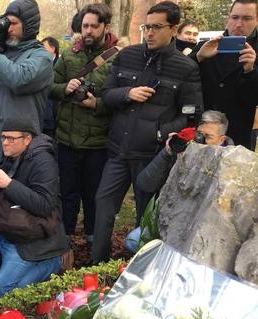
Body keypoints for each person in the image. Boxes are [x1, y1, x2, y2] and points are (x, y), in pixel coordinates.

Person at [91, 1, 202, 264]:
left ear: (173, 29)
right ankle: (96, 267)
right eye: (146, 26)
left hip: (151, 157)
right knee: (103, 206)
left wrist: (159, 134)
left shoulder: (185, 68)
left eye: (156, 27)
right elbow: (106, 95)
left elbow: (190, 115)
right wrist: (127, 93)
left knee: (146, 218)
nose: (149, 32)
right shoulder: (127, 55)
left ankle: (142, 272)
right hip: (118, 151)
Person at [0, 117, 68, 296]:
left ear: (27, 140)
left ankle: (54, 262)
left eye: (11, 138)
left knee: (3, 290)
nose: (5, 143)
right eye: (3, 137)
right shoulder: (12, 156)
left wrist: (8, 183)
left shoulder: (44, 162)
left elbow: (45, 206)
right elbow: (7, 196)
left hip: (29, 238)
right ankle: (5, 259)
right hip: (4, 230)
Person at [50, 3, 117, 255]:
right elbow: (50, 88)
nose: (88, 30)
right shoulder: (68, 55)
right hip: (67, 140)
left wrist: (96, 103)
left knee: (93, 195)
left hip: (98, 143)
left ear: (104, 27)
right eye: (85, 25)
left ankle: (92, 238)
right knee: (67, 193)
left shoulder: (117, 58)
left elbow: (120, 101)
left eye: (94, 26)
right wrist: (64, 88)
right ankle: (64, 239)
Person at [125, 110, 232, 252]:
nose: (200, 141)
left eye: (208, 137)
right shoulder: (186, 147)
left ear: (221, 139)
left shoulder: (231, 162)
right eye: (199, 134)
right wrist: (168, 153)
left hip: (205, 225)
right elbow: (145, 184)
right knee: (133, 241)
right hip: (173, 218)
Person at [0, 0, 53, 163]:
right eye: (6, 23)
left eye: (13, 23)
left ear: (29, 26)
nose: (9, 29)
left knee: (15, 189)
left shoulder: (41, 57)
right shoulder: (1, 55)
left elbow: (19, 79)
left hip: (20, 152)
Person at [192, 0, 258, 149]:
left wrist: (250, 72)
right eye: (235, 17)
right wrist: (198, 58)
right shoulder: (208, 45)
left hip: (238, 132)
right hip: (204, 130)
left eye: (247, 18)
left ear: (256, 20)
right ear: (228, 18)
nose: (239, 24)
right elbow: (184, 77)